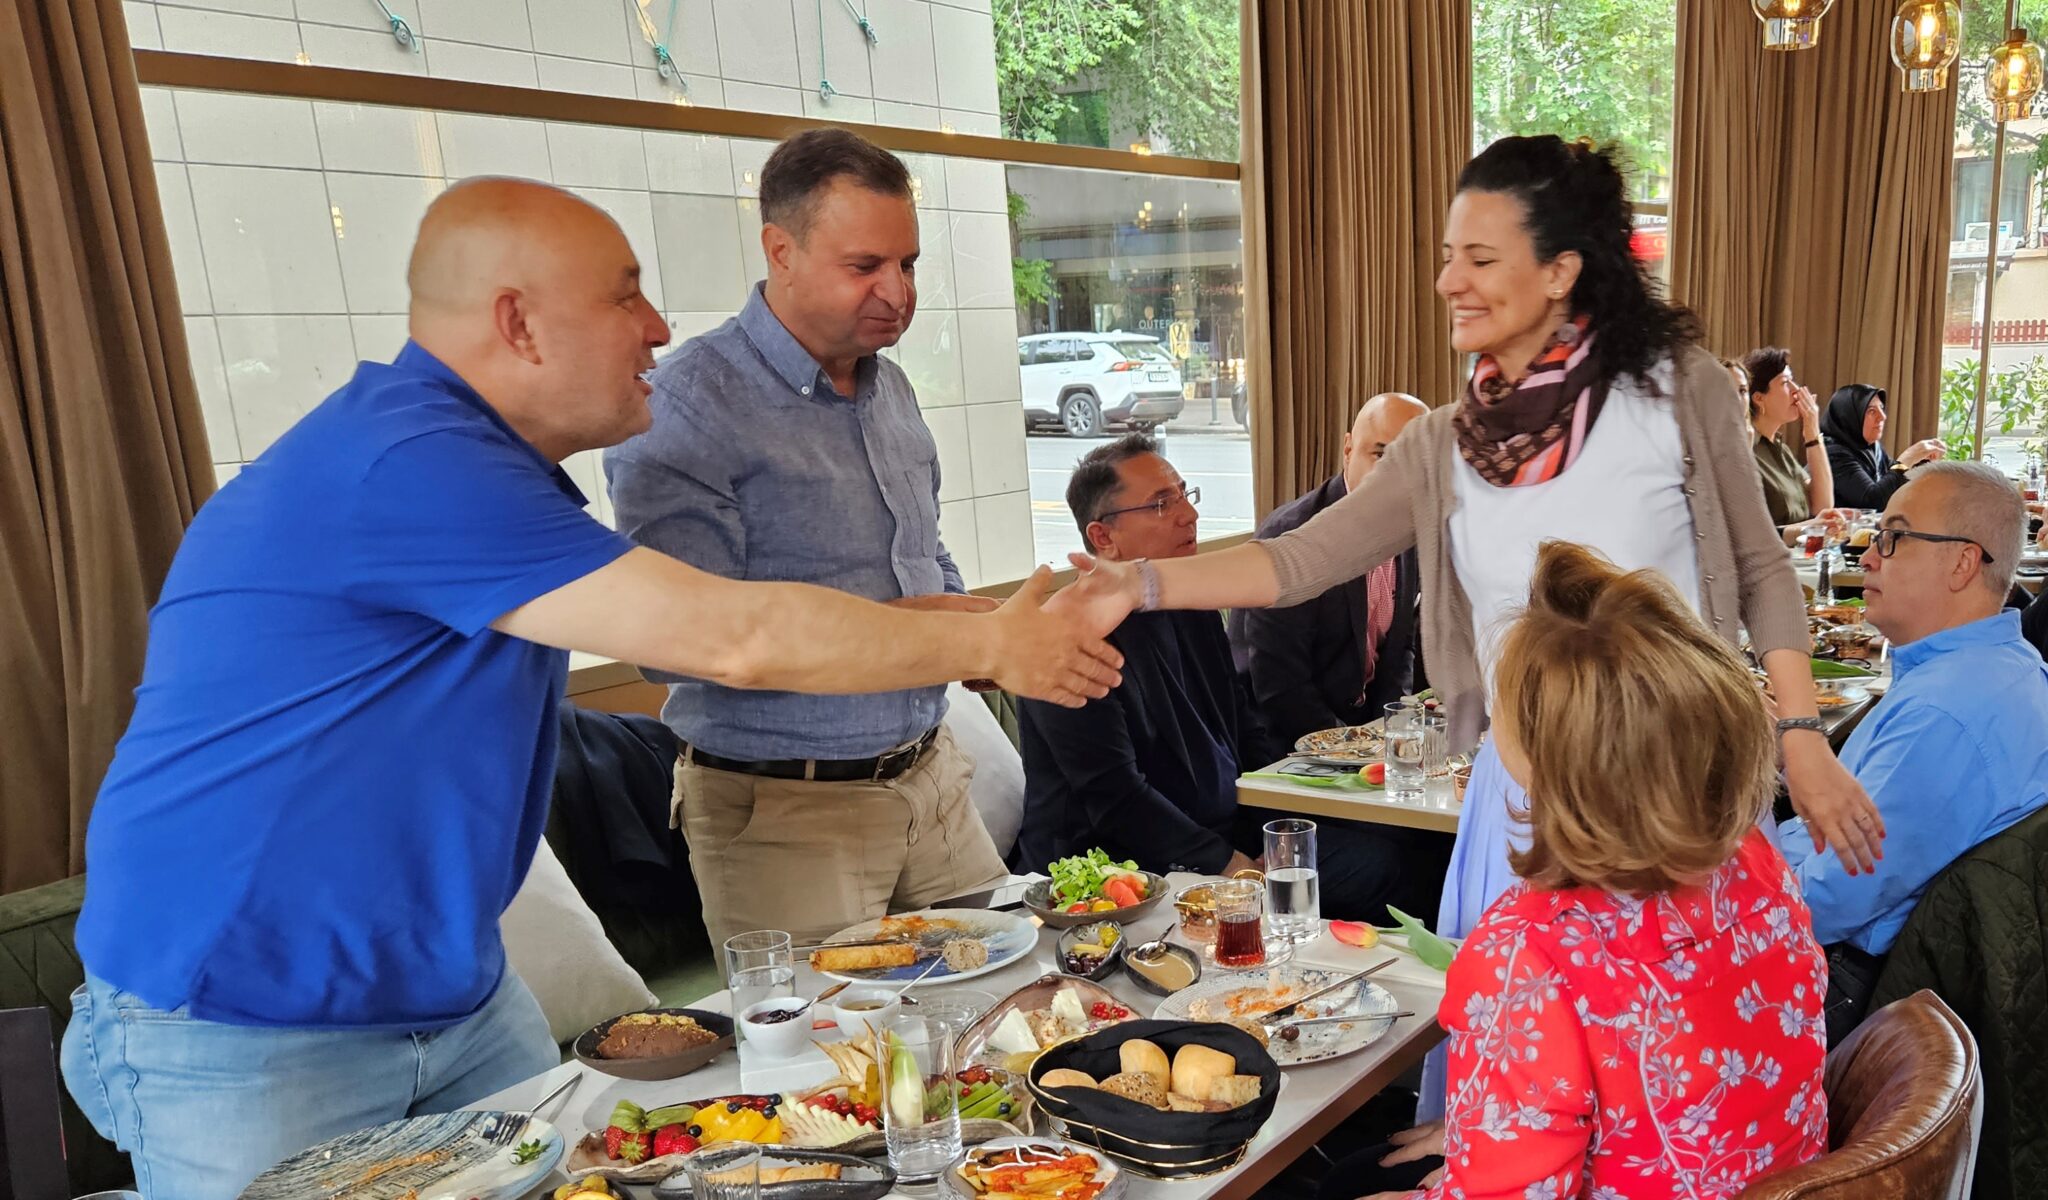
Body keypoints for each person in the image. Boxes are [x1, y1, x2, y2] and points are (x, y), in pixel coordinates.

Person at [61, 178, 1122, 1200]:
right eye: (624, 297)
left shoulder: (488, 467)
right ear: (517, 324)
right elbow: (731, 636)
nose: (657, 328)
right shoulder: (407, 460)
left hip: (458, 996)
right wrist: (994, 647)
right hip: (240, 1022)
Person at [1048, 135, 1881, 921]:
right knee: (1524, 1023)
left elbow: (1761, 567)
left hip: (1677, 786)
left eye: (1480, 259)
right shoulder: (1442, 444)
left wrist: (1801, 737)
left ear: (1559, 271)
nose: (1450, 281)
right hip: (1525, 806)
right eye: (1449, 256)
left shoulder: (1680, 391)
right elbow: (1298, 560)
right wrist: (1140, 583)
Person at [606, 129, 1016, 948]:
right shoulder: (688, 404)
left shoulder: (890, 386)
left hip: (930, 777)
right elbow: (678, 645)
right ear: (780, 251)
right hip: (787, 809)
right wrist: (933, 631)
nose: (897, 292)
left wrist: (973, 625)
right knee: (827, 1033)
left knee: (1009, 1006)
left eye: (908, 264)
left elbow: (919, 551)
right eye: (865, 266)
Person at [1332, 542, 1828, 1200]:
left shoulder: (1527, 953)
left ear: (1546, 763)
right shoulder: (1756, 862)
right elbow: (1684, 1081)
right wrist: (1494, 1127)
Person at [1015, 435, 1442, 918]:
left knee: (1416, 844)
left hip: (1228, 827)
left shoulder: (1190, 603)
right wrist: (1228, 862)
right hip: (1120, 869)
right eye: (1161, 504)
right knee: (1386, 871)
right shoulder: (1066, 639)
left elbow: (1243, 724)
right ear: (1102, 537)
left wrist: (1286, 814)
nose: (1189, 515)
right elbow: (1115, 800)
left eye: (1184, 495)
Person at [1780, 461, 2048, 1044]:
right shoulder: (2008, 665)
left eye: (1893, 538)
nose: (1868, 558)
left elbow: (1822, 902)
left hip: (1853, 986)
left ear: (1962, 563)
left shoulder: (1945, 714)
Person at [1228, 393, 1428, 759]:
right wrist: (1354, 752)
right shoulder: (1293, 536)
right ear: (1348, 450)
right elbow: (1280, 684)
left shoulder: (1410, 529)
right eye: (1381, 455)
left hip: (1362, 740)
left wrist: (1392, 731)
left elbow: (1400, 648)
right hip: (1282, 749)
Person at [1741, 346, 1839, 537]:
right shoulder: (1746, 448)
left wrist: (1812, 433)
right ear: (1759, 398)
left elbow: (1822, 505)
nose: (1796, 390)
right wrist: (1814, 526)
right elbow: (1753, 533)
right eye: (1785, 383)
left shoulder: (1780, 448)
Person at [1820, 383, 1945, 510]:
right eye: (1871, 411)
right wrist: (1907, 458)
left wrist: (1923, 461)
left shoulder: (1871, 447)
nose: (1883, 417)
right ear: (1849, 417)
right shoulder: (1833, 454)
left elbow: (1892, 483)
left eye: (1882, 408)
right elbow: (1873, 502)